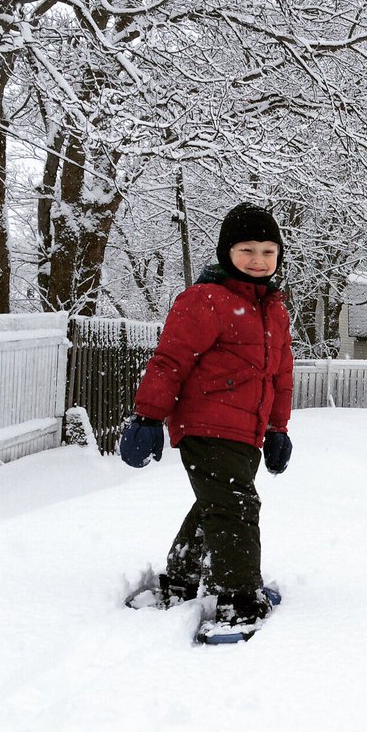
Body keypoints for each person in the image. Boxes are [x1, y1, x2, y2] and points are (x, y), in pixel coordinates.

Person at [119, 202, 294, 638]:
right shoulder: (205, 300)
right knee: (236, 507)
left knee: (215, 504)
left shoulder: (274, 309)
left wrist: (277, 429)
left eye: (268, 251)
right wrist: (147, 416)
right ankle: (237, 598)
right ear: (225, 252)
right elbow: (169, 361)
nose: (258, 260)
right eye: (247, 250)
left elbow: (281, 376)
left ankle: (181, 577)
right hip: (206, 423)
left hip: (247, 429)